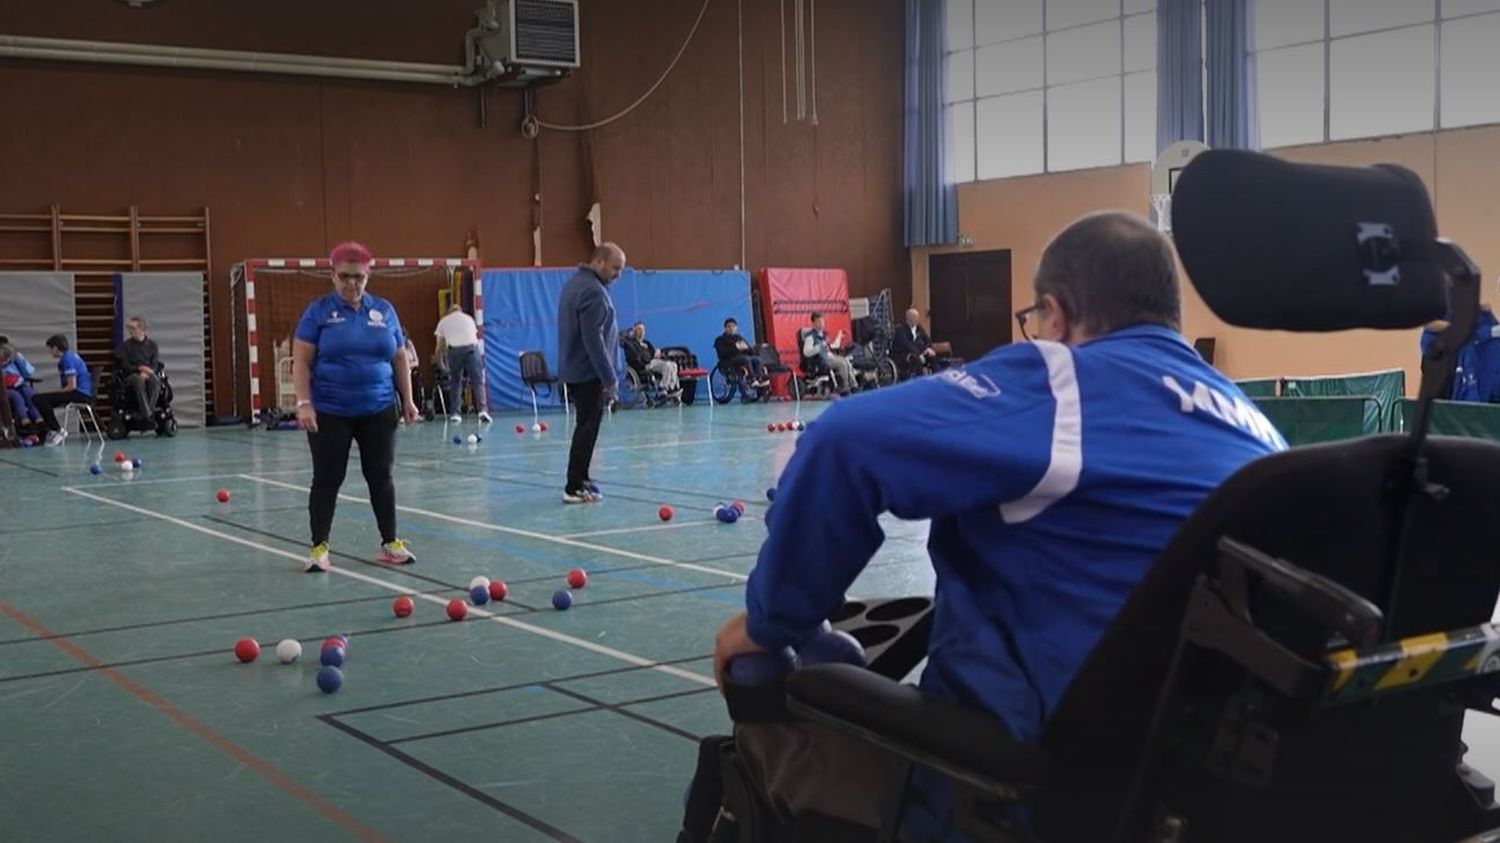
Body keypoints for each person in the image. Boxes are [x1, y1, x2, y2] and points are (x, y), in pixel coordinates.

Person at [697, 212, 1287, 840]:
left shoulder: (1062, 380)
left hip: (1008, 790)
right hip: (1185, 793)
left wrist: (771, 623)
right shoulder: (1257, 431)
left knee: (746, 736)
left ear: (1055, 317)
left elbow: (840, 443)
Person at [292, 241, 419, 572]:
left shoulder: (384, 310)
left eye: (359, 277)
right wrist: (304, 403)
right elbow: (302, 361)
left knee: (381, 476)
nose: (352, 284)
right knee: (328, 477)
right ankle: (319, 547)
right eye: (345, 277)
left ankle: (390, 542)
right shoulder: (318, 312)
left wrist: (407, 399)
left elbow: (399, 356)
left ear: (368, 275)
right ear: (332, 275)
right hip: (331, 411)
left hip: (378, 409)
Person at [557, 242, 625, 504]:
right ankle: (573, 485)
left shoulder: (575, 283)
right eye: (615, 268)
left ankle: (582, 479)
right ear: (599, 262)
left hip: (577, 369)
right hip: (588, 372)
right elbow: (593, 339)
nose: (618, 274)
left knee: (586, 427)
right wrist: (610, 379)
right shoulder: (593, 292)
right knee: (587, 429)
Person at [31, 334, 94, 447]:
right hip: (81, 393)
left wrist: (57, 393)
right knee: (44, 400)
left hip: (79, 394)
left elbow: (72, 386)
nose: (50, 352)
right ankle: (53, 429)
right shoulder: (71, 356)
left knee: (38, 399)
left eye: (50, 349)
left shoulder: (67, 360)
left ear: (55, 348)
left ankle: (57, 430)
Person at [433, 303, 491, 424]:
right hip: (471, 349)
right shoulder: (469, 318)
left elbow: (439, 348)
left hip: (454, 351)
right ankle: (482, 411)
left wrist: (442, 365)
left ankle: (455, 414)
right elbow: (473, 337)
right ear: (460, 311)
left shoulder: (443, 321)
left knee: (455, 381)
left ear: (449, 312)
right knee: (477, 381)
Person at [115, 316, 162, 428]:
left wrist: (147, 372)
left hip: (149, 373)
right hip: (132, 374)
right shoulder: (127, 346)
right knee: (138, 380)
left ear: (141, 329)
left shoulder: (152, 345)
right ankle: (148, 415)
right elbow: (125, 365)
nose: (130, 331)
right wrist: (139, 368)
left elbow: (154, 365)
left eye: (133, 328)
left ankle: (147, 414)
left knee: (155, 381)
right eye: (129, 328)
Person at [799, 313, 857, 395]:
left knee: (846, 361)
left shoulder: (824, 335)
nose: (821, 324)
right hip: (820, 360)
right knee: (842, 364)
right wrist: (818, 347)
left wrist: (839, 336)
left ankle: (854, 386)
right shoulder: (810, 337)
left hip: (829, 356)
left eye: (822, 321)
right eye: (818, 322)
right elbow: (806, 352)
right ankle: (845, 386)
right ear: (813, 324)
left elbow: (832, 346)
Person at [623, 322, 682, 398]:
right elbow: (633, 358)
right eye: (639, 329)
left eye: (643, 330)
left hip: (653, 361)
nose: (641, 332)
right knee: (666, 366)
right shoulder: (631, 344)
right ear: (635, 331)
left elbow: (653, 353)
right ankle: (662, 388)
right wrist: (643, 362)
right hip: (645, 364)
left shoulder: (646, 343)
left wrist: (657, 353)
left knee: (673, 365)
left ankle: (671, 387)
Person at [890, 307, 949, 378]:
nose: (916, 319)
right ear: (908, 318)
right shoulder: (900, 329)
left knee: (931, 356)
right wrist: (919, 354)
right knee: (916, 359)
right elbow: (906, 345)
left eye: (916, 317)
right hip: (904, 354)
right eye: (913, 317)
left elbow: (928, 340)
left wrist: (927, 349)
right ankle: (921, 379)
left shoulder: (919, 329)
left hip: (920, 352)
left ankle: (937, 376)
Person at [713, 318, 769, 388]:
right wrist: (736, 347)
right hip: (729, 360)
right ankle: (751, 380)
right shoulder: (720, 339)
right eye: (729, 326)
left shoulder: (739, 338)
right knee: (746, 359)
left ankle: (759, 378)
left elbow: (749, 350)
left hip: (742, 358)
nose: (731, 328)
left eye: (733, 326)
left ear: (736, 328)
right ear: (725, 328)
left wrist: (747, 348)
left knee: (757, 359)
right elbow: (722, 353)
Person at [1, 342, 40, 435]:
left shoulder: (15, 360)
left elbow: (28, 373)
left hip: (20, 385)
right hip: (5, 389)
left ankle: (39, 420)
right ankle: (25, 421)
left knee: (30, 393)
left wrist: (19, 359)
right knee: (16, 397)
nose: (5, 361)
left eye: (8, 358)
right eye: (3, 358)